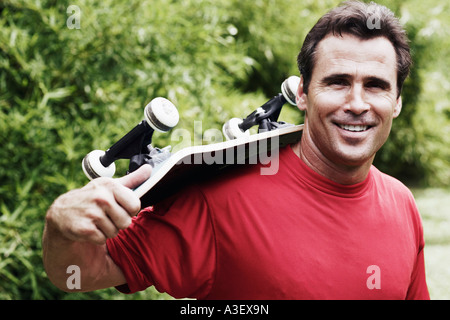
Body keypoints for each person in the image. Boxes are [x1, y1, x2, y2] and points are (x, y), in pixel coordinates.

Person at [42, 0, 430, 299]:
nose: (357, 103)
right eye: (337, 82)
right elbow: (80, 273)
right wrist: (60, 226)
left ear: (396, 101)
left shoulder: (402, 204)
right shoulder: (220, 197)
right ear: (302, 94)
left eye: (376, 85)